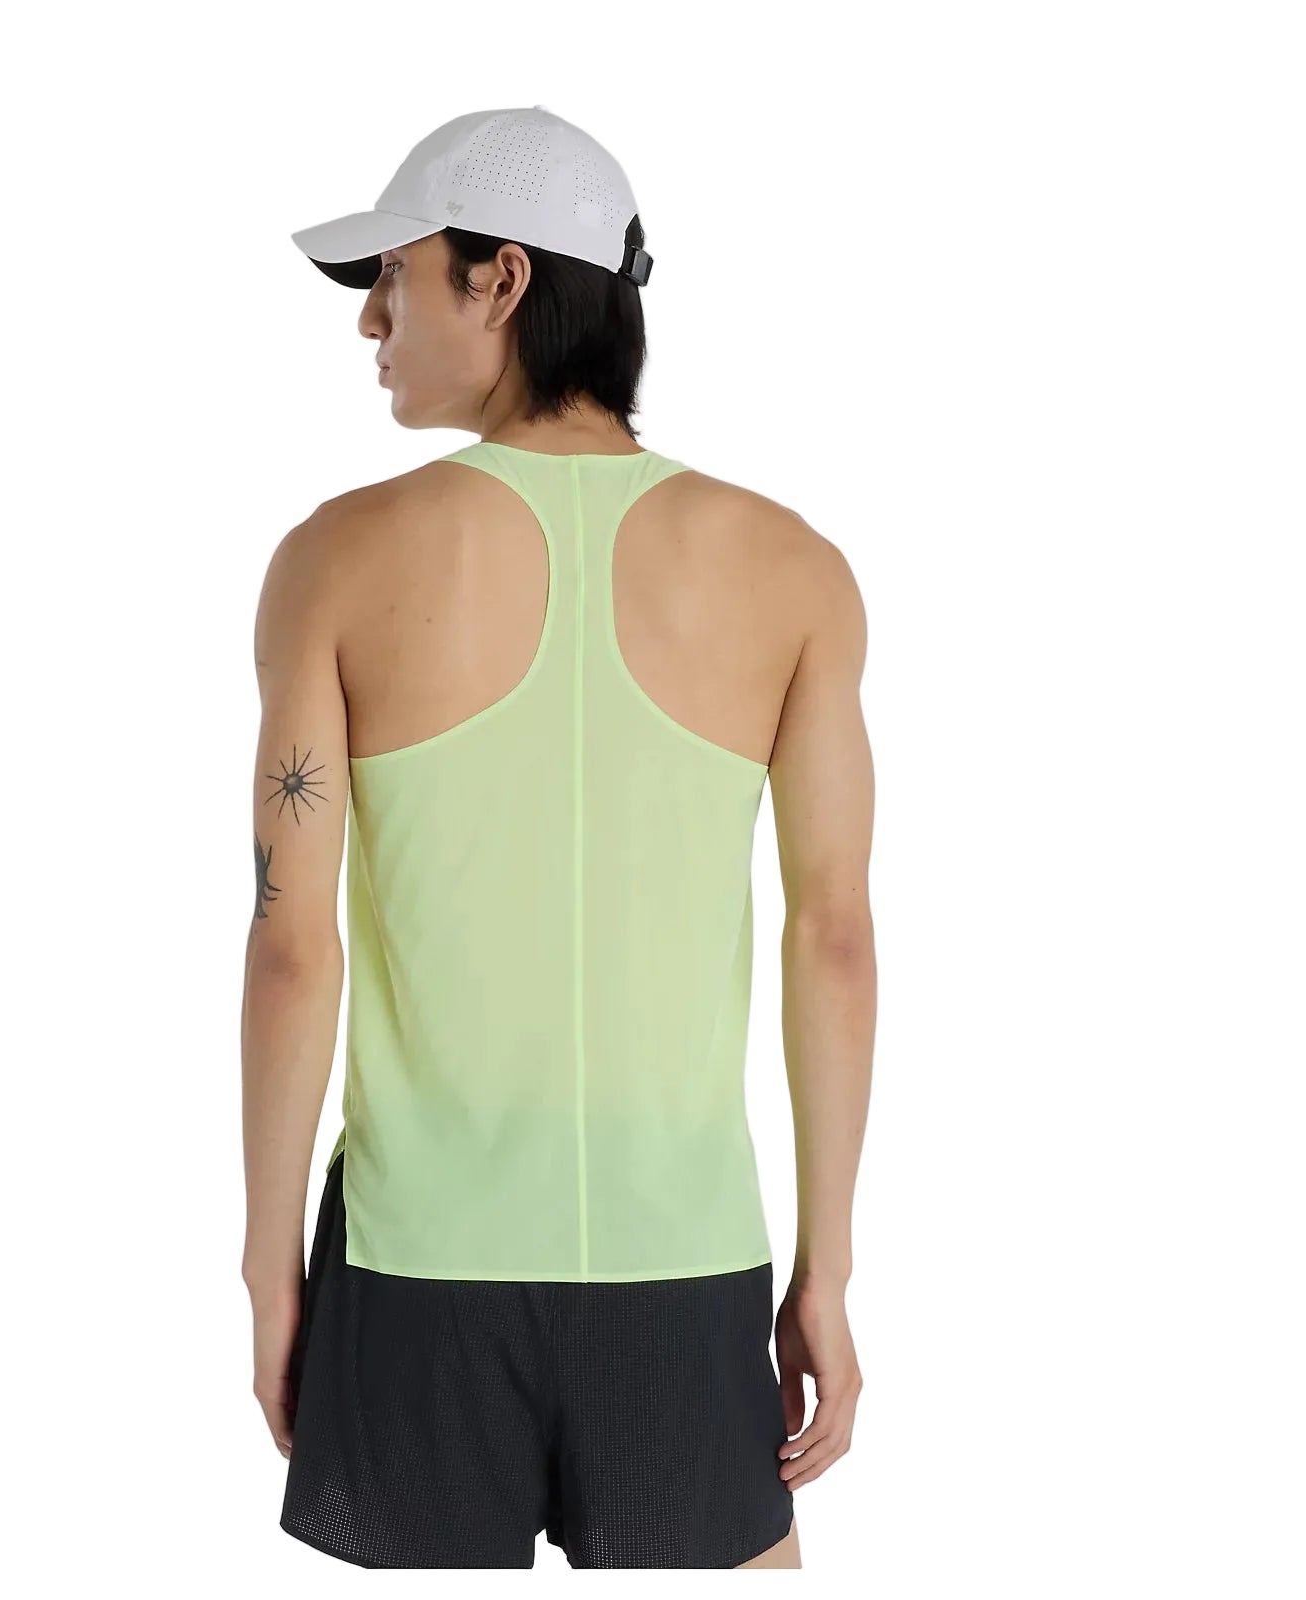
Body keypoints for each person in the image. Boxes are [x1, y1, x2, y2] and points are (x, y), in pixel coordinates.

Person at [240, 105, 876, 1571]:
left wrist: (270, 1274)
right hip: (683, 1259)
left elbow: (291, 951)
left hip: (418, 1267)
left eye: (391, 274)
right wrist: (825, 1274)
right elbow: (833, 937)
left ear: (503, 279)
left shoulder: (333, 559)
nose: (371, 321)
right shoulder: (795, 571)